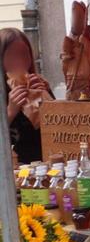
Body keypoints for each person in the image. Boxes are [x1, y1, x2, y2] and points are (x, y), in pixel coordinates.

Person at [1, 28, 54, 164]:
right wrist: (10, 111)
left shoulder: (40, 84)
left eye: (24, 54)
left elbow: (59, 129)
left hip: (45, 165)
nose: (20, 61)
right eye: (12, 55)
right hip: (13, 170)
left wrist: (46, 99)